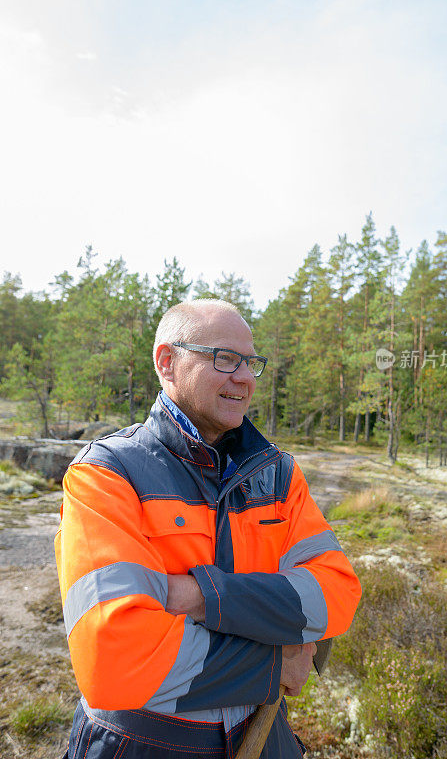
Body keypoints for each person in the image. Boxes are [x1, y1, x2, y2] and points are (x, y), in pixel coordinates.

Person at [55, 299, 361, 759]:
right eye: (224, 358)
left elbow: (335, 595)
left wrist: (200, 596)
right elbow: (114, 661)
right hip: (142, 743)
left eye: (251, 362)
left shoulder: (279, 475)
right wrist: (274, 661)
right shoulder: (106, 474)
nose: (245, 377)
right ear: (167, 362)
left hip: (262, 736)